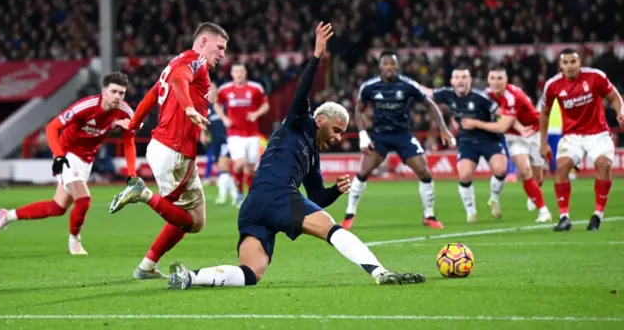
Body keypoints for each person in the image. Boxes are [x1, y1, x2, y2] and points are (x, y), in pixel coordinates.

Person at [166, 23, 426, 289]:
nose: (338, 138)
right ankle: (380, 272)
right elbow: (301, 91)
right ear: (321, 119)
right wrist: (316, 57)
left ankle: (189, 276)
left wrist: (335, 191)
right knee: (331, 228)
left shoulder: (312, 156)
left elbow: (315, 197)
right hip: (276, 194)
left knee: (251, 273)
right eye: (336, 130)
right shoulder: (299, 122)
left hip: (254, 206)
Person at [108, 22, 228, 279]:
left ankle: (146, 267)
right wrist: (188, 109)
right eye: (220, 47)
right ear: (203, 42)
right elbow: (178, 80)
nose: (222, 54)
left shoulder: (175, 62)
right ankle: (143, 194)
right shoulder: (196, 61)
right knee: (190, 221)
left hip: (167, 148)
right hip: (174, 150)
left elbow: (152, 95)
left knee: (193, 217)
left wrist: (133, 123)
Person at [0, 72, 137, 255]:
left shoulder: (126, 113)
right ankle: (75, 242)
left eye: (121, 93)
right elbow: (53, 127)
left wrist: (132, 173)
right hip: (67, 154)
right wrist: (59, 156)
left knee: (57, 208)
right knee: (83, 200)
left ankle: (7, 215)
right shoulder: (86, 106)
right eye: (114, 91)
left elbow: (129, 142)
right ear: (104, 91)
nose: (118, 97)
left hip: (86, 160)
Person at [342, 50, 454, 230]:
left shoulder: (407, 85)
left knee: (424, 172)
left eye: (392, 64)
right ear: (380, 66)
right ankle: (349, 215)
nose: (389, 68)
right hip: (379, 136)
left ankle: (429, 216)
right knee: (363, 172)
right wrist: (363, 135)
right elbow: (358, 110)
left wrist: (442, 127)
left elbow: (429, 104)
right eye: (385, 64)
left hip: (403, 135)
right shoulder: (369, 87)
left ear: (397, 66)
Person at [539, 48, 624, 231]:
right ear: (560, 65)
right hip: (572, 136)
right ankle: (563, 217)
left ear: (580, 62)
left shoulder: (595, 77)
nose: (569, 66)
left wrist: (620, 112)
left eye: (573, 62)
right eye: (565, 63)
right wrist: (543, 142)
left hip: (598, 133)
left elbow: (615, 97)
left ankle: (597, 215)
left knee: (604, 164)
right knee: (561, 167)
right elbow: (544, 113)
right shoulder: (553, 85)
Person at [461, 67, 552, 223]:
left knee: (538, 177)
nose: (496, 82)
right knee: (525, 171)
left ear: (506, 80)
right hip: (514, 136)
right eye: (493, 78)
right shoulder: (486, 95)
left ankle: (534, 193)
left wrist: (475, 123)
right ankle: (544, 212)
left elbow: (502, 126)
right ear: (488, 80)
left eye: (500, 79)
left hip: (534, 131)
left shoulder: (513, 96)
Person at [428, 67, 508, 223]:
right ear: (452, 82)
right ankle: (471, 212)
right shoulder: (447, 94)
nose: (460, 80)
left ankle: (494, 199)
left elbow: (503, 114)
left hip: (489, 138)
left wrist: (477, 123)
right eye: (457, 77)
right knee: (464, 175)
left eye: (464, 76)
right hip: (467, 142)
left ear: (470, 80)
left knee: (501, 169)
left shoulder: (481, 97)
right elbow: (427, 92)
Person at [214, 64, 270, 207]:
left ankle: (250, 197)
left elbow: (266, 105)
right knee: (239, 164)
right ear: (232, 74)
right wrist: (224, 118)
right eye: (236, 71)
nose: (239, 74)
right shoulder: (225, 89)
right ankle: (239, 194)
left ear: (245, 73)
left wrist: (256, 114)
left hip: (252, 134)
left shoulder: (255, 88)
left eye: (241, 71)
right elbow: (217, 104)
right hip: (234, 134)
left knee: (250, 169)